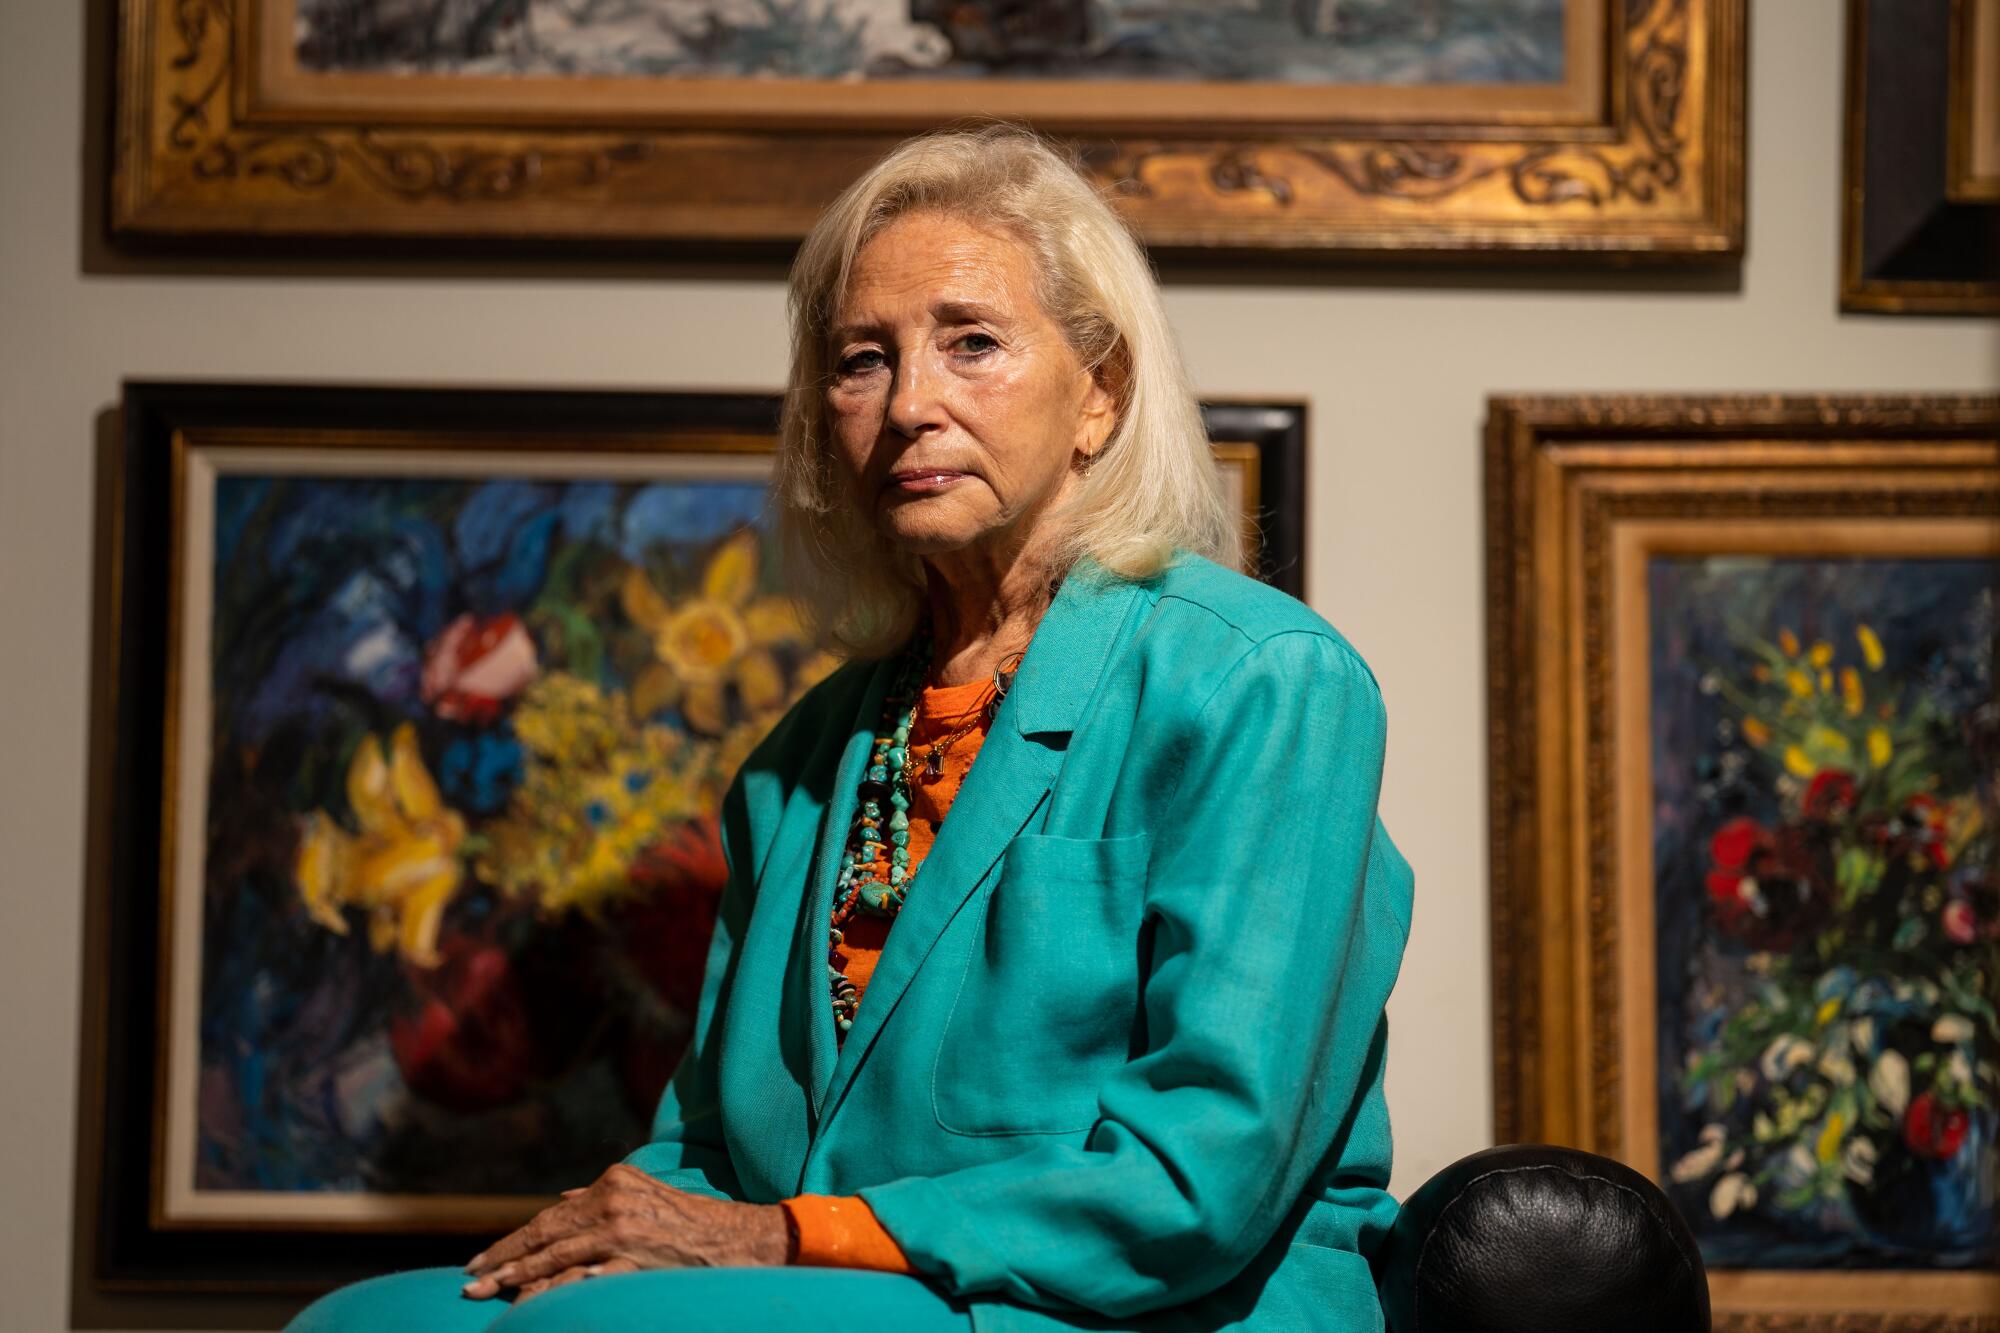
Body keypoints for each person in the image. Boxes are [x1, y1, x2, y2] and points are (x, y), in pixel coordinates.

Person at [290, 122, 1414, 1333]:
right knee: (370, 1322)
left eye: (971, 344)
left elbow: (1202, 1173)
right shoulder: (805, 751)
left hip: (1140, 1304)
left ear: (1101, 394)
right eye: (860, 360)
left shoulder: (1265, 679)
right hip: (837, 1287)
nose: (910, 404)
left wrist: (776, 1236)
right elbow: (710, 1145)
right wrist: (621, 1223)